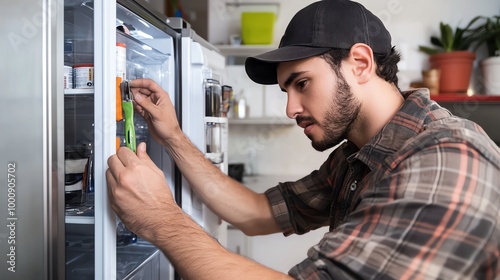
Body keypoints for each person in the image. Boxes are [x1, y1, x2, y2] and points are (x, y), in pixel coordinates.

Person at [106, 0, 500, 279]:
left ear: (360, 63)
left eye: (302, 83)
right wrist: (173, 137)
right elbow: (257, 212)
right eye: (286, 91)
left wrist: (161, 218)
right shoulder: (358, 155)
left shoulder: (444, 158)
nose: (290, 108)